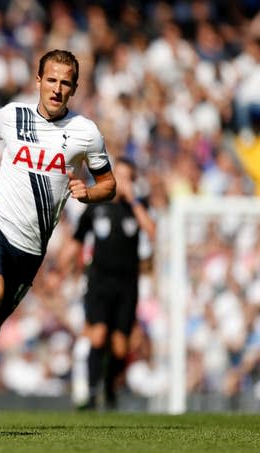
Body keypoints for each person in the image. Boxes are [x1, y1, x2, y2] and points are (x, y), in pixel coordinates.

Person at [0, 49, 116, 396]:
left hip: (32, 248)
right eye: (51, 80)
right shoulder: (13, 115)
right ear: (38, 81)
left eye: (65, 83)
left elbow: (109, 185)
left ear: (75, 88)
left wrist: (89, 192)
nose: (57, 89)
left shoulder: (85, 132)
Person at [60, 157, 156, 410]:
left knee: (120, 346)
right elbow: (77, 239)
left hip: (127, 282)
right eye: (119, 175)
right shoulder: (96, 206)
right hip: (99, 280)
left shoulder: (138, 206)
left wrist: (133, 201)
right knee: (98, 336)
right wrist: (60, 268)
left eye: (127, 176)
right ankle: (91, 394)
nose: (122, 181)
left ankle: (110, 387)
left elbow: (153, 231)